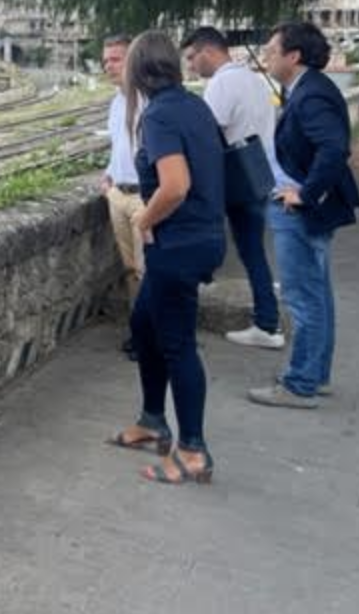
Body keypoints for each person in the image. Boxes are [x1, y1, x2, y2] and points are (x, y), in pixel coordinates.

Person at [107, 30, 226, 485]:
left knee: (177, 344)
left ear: (139, 70)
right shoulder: (192, 105)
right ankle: (152, 419)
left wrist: (144, 220)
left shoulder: (159, 116)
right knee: (144, 326)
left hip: (179, 244)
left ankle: (193, 450)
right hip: (201, 236)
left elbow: (175, 185)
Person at [248, 21, 359, 409]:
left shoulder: (311, 95)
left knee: (303, 296)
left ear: (293, 56)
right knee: (317, 294)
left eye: (272, 50)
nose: (266, 55)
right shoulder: (307, 88)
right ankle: (316, 375)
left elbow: (334, 149)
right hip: (305, 208)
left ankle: (299, 384)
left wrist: (305, 194)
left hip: (299, 211)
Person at [181, 26, 285, 349]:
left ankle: (267, 324)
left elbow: (206, 136)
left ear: (208, 52)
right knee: (253, 249)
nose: (190, 66)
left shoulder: (222, 84)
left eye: (191, 57)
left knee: (235, 248)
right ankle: (266, 319)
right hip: (259, 175)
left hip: (234, 180)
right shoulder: (254, 79)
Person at [99, 34, 143, 359]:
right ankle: (139, 331)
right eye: (106, 60)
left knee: (147, 271)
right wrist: (109, 174)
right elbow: (120, 146)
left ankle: (150, 336)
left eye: (116, 59)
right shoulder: (116, 101)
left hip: (144, 197)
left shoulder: (149, 101)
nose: (108, 65)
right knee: (130, 270)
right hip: (120, 194)